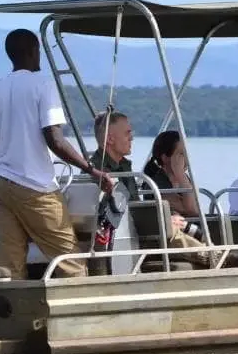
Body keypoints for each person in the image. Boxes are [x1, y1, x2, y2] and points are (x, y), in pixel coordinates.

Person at [0, 28, 111, 279]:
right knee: (70, 262)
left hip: (1, 187)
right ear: (33, 51)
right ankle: (80, 302)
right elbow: (55, 140)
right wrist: (92, 170)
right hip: (36, 188)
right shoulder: (43, 85)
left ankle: (16, 304)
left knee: (11, 269)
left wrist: (9, 172)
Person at [87, 112, 215, 264]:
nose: (132, 138)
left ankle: (215, 254)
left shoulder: (124, 167)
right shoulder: (99, 172)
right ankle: (214, 256)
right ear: (110, 139)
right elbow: (113, 215)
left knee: (169, 223)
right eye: (127, 133)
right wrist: (162, 219)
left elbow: (134, 207)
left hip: (133, 229)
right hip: (120, 235)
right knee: (168, 225)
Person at [142, 130, 200, 218]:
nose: (186, 158)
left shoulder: (184, 180)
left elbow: (198, 210)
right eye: (181, 154)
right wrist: (180, 173)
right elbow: (192, 210)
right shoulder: (155, 184)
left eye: (186, 153)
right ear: (165, 158)